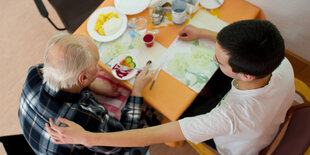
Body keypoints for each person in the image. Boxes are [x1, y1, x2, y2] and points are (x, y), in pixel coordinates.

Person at [45, 20, 295, 155]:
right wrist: (204, 32)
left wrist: (86, 138)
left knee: (178, 109)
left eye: (219, 61)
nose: (214, 60)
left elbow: (156, 135)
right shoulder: (280, 61)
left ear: (247, 75)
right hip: (273, 113)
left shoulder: (228, 116)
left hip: (238, 147)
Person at [18, 33, 153, 154]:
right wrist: (137, 90)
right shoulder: (84, 118)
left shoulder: (34, 72)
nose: (99, 67)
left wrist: (92, 84)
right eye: (96, 63)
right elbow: (125, 140)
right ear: (83, 78)